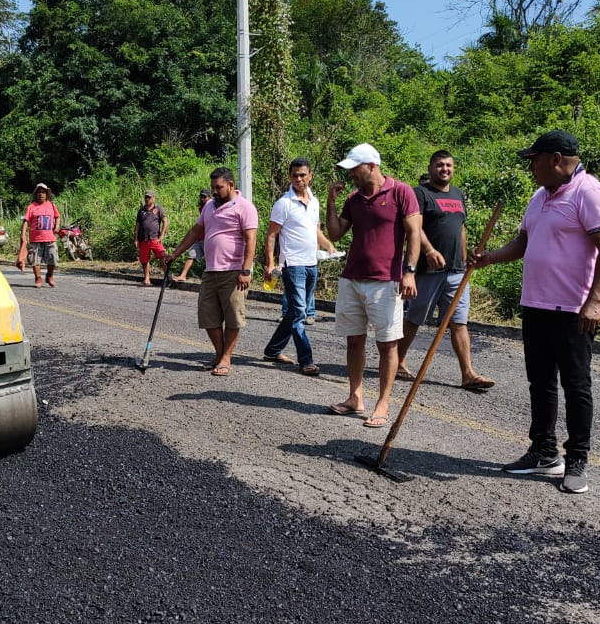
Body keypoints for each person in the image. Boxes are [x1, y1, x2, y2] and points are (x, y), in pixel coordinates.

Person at [470, 130, 600, 494]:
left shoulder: (590, 193)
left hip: (572, 309)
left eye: (534, 159)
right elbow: (524, 242)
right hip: (535, 305)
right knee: (540, 382)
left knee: (576, 385)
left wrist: (595, 300)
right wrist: (491, 258)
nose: (530, 167)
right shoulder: (540, 196)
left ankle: (577, 458)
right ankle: (543, 451)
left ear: (554, 159)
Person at [324, 143, 421, 428]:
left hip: (386, 281)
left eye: (355, 168)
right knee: (354, 339)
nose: (352, 173)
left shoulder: (401, 192)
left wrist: (410, 272)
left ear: (371, 166)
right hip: (352, 278)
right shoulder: (354, 199)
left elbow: (414, 233)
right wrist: (330, 200)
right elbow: (335, 233)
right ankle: (355, 397)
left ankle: (383, 402)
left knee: (387, 344)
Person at [395, 151, 494, 392]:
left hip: (456, 271)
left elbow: (460, 228)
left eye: (449, 165)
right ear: (430, 168)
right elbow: (414, 228)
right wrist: (428, 251)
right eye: (439, 165)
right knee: (415, 318)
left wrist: (464, 259)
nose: (445, 169)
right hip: (427, 271)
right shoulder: (421, 193)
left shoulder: (458, 194)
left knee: (458, 322)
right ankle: (396, 362)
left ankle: (468, 374)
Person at [164, 167, 258, 376]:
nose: (214, 191)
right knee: (208, 317)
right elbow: (195, 232)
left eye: (219, 187)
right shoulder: (208, 207)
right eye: (213, 187)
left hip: (233, 272)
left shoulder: (245, 207)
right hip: (211, 270)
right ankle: (219, 353)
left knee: (233, 317)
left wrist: (246, 269)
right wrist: (175, 254)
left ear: (231, 185)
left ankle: (225, 358)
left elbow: (251, 239)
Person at [262, 158, 336, 376]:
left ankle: (273, 349)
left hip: (311, 263)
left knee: (295, 311)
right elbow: (271, 235)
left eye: (303, 175)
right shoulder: (283, 203)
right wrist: (270, 263)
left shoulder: (314, 201)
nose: (299, 179)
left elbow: (316, 230)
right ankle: (306, 360)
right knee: (300, 313)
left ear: (310, 175)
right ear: (290, 177)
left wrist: (328, 245)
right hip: (293, 265)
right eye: (295, 175)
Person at [18, 183, 61, 287]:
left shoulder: (51, 205)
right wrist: (23, 235)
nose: (41, 194)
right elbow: (25, 221)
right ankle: (38, 278)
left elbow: (57, 216)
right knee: (35, 260)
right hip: (35, 239)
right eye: (39, 192)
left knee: (53, 258)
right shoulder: (31, 207)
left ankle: (49, 276)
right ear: (35, 194)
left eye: (43, 192)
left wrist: (57, 225)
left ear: (47, 194)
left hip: (50, 237)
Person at [173, 188, 211, 283]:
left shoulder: (213, 208)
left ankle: (210, 280)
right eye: (201, 196)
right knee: (191, 255)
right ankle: (183, 275)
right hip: (199, 238)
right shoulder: (201, 208)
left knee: (210, 260)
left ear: (209, 198)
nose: (202, 198)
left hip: (209, 239)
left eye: (204, 197)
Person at [135, 191, 169, 286]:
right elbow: (137, 226)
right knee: (145, 261)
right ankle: (147, 279)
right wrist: (136, 239)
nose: (147, 199)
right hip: (143, 239)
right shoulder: (141, 211)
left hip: (155, 239)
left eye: (149, 197)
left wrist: (161, 236)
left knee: (162, 257)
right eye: (146, 197)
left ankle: (167, 278)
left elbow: (165, 222)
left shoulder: (158, 209)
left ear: (153, 198)